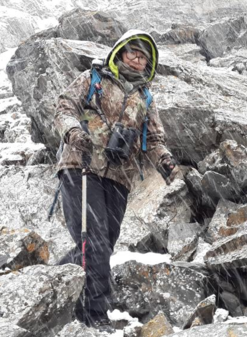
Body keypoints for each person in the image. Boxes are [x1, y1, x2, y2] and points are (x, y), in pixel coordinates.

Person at [53, 29, 177, 332]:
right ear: (120, 52)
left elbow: (154, 139)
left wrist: (164, 159)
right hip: (81, 166)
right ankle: (94, 315)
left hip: (119, 178)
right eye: (132, 51)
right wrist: (73, 131)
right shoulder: (93, 79)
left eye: (143, 55)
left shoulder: (145, 97)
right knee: (93, 242)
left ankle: (55, 279)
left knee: (101, 246)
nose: (137, 58)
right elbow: (63, 107)